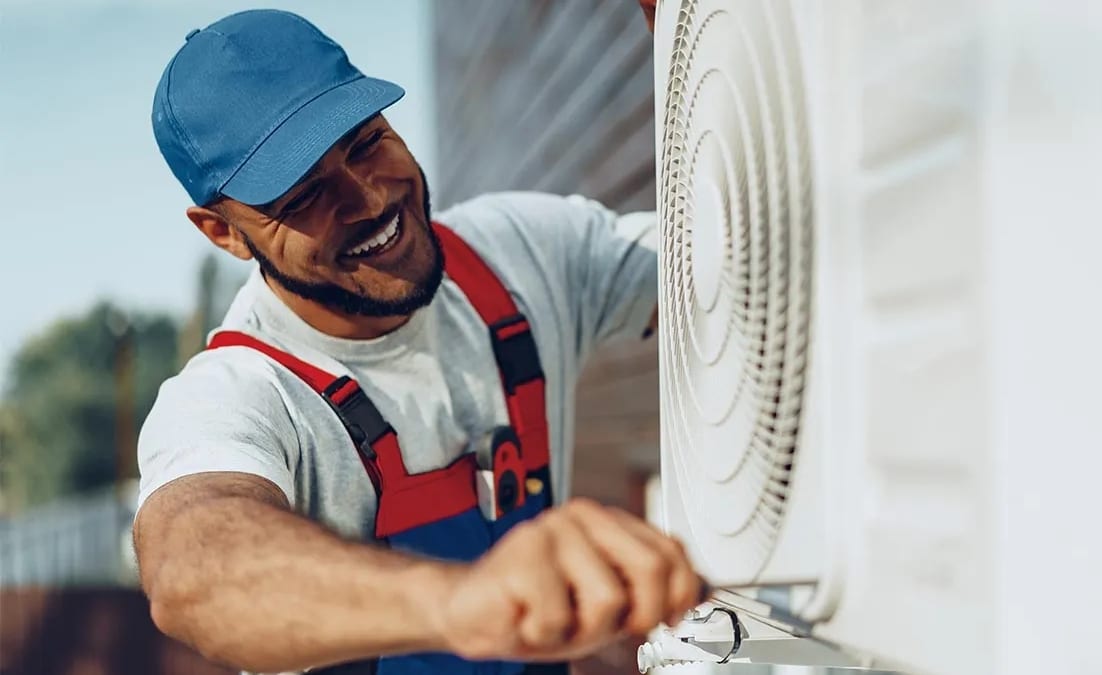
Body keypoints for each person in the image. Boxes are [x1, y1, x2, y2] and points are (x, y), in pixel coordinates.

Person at [132, 3, 700, 675]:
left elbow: (739, 266)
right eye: (303, 194)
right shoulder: (238, 394)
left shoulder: (520, 253)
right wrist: (463, 601)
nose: (368, 199)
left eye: (365, 142)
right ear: (223, 232)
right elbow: (194, 567)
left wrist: (699, 45)